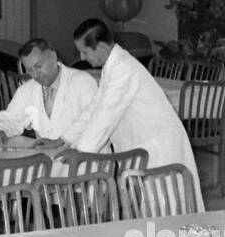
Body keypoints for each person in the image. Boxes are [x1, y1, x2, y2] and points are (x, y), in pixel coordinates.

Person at [63, 18, 200, 192]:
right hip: (147, 143)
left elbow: (105, 116)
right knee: (151, 202)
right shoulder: (112, 66)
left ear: (102, 47)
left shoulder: (122, 67)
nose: (82, 57)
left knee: (167, 201)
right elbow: (95, 107)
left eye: (84, 51)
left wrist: (81, 152)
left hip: (159, 144)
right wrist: (66, 139)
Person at [0, 37, 99, 147]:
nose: (35, 74)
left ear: (53, 57)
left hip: (82, 155)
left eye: (38, 66)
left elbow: (93, 118)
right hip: (47, 156)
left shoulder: (82, 81)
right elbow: (11, 118)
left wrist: (61, 140)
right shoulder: (27, 89)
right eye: (29, 70)